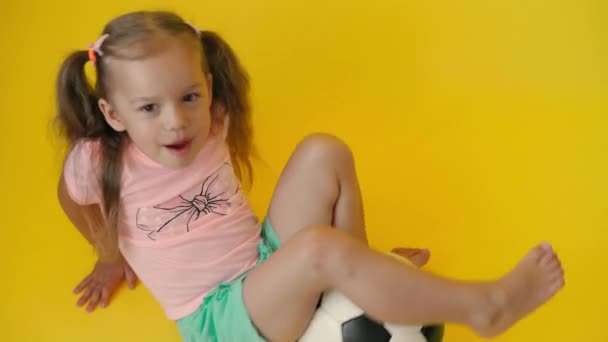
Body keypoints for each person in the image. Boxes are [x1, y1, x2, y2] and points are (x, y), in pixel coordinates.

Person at [55, 10, 564, 342]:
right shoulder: (100, 161)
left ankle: (358, 274)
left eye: (190, 97)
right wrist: (108, 255)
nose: (176, 120)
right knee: (319, 248)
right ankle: (486, 307)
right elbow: (70, 196)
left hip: (261, 261)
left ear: (207, 87)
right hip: (222, 319)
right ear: (114, 115)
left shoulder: (213, 121)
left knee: (325, 151)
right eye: (149, 107)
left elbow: (205, 115)